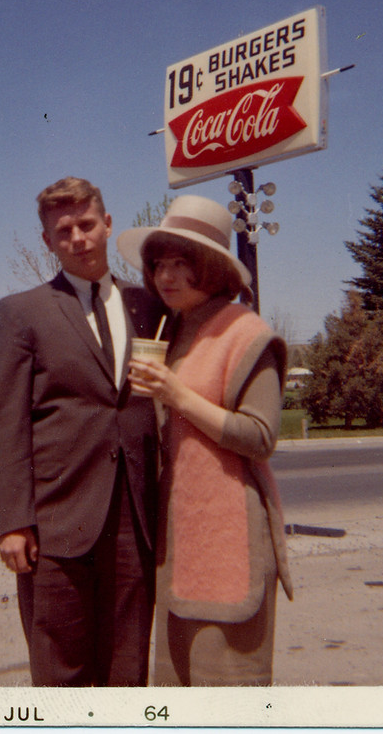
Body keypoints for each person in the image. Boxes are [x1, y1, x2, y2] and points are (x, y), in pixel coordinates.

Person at [0, 176, 164, 686]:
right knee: (61, 667)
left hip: (135, 516)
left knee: (127, 665)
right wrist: (13, 522)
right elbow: (3, 425)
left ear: (108, 225)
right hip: (57, 522)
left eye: (87, 225)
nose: (78, 238)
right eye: (64, 231)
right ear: (48, 242)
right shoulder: (22, 312)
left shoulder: (147, 305)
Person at [117, 194, 293, 686]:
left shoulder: (247, 333)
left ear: (212, 269)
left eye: (181, 265)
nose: (165, 277)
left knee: (227, 688)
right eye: (158, 265)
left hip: (228, 535)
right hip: (180, 541)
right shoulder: (174, 332)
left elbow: (260, 437)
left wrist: (177, 395)